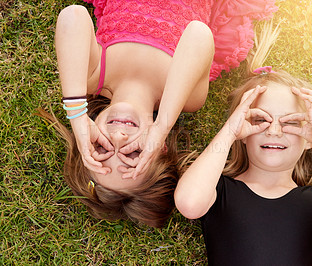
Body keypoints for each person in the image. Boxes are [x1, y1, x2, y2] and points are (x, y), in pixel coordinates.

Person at [174, 29, 312, 263]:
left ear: (309, 140)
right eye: (261, 119)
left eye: (291, 122)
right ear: (243, 131)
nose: (274, 130)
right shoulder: (219, 191)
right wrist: (229, 132)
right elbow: (189, 204)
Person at [49, 0, 278, 228]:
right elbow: (198, 34)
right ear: (160, 147)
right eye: (133, 153)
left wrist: (77, 115)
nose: (118, 138)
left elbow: (73, 16)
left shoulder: (92, 78)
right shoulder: (186, 98)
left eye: (102, 147)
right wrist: (161, 126)